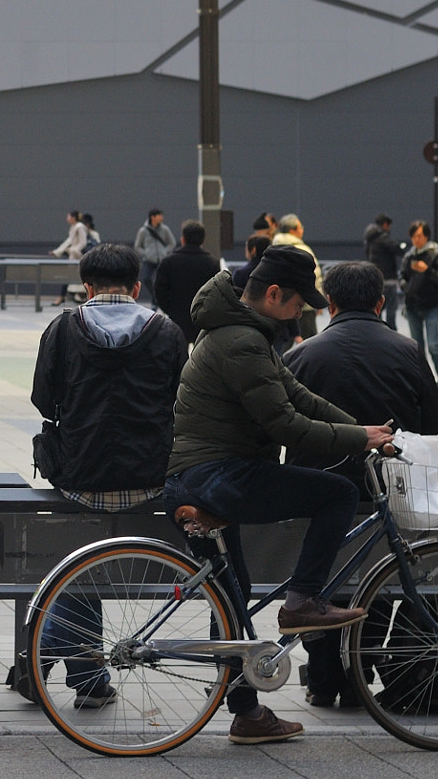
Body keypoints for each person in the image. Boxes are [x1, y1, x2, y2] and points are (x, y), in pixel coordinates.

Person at [164, 245, 393, 745]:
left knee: (231, 597)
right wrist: (358, 443)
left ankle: (246, 713)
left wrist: (364, 430)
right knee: (334, 494)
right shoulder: (243, 341)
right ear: (273, 295)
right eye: (297, 304)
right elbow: (285, 423)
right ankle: (303, 600)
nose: (301, 313)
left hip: (205, 474)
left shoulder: (242, 332)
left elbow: (297, 393)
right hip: (218, 475)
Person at [27, 243, 187, 708]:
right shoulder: (167, 331)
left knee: (81, 570)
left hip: (79, 478)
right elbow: (184, 399)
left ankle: (47, 663)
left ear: (86, 286)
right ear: (137, 286)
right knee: (83, 572)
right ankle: (71, 676)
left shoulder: (62, 329)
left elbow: (43, 399)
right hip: (151, 479)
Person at [283, 260, 438, 709]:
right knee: (381, 579)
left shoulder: (300, 355)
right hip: (387, 495)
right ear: (381, 302)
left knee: (320, 584)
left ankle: (324, 676)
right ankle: (359, 672)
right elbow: (432, 422)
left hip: (315, 495)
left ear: (329, 303)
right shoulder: (409, 350)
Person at [152, 220, 220, 341]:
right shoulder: (212, 263)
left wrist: (170, 309)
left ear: (183, 239)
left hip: (177, 316)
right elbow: (216, 292)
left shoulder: (169, 262)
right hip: (202, 318)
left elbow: (160, 290)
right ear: (203, 240)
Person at [400, 221, 438, 385]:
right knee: (417, 348)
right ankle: (423, 380)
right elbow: (402, 276)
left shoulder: (436, 254)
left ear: (426, 236)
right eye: (413, 236)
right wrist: (406, 288)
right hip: (412, 306)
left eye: (419, 235)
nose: (416, 239)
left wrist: (427, 270)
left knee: (433, 346)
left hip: (431, 305)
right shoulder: (409, 256)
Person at [269, 215, 323, 339]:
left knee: (283, 341)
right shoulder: (303, 250)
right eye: (300, 227)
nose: (302, 230)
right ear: (292, 231)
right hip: (304, 304)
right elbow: (314, 277)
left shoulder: (273, 247)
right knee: (308, 340)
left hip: (279, 304)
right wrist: (317, 300)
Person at [363, 214, 402, 330]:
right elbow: (397, 249)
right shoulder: (383, 237)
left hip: (375, 280)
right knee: (391, 311)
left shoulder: (369, 239)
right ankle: (391, 335)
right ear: (385, 224)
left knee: (376, 310)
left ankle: (376, 332)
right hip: (388, 280)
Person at [134, 209, 176, 299]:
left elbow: (172, 243)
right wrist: (146, 254)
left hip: (161, 259)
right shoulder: (143, 231)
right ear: (152, 217)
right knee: (146, 278)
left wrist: (165, 252)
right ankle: (155, 297)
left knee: (162, 280)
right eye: (159, 215)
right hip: (149, 260)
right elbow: (137, 246)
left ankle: (157, 300)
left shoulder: (165, 229)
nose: (162, 218)